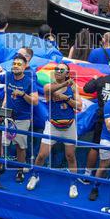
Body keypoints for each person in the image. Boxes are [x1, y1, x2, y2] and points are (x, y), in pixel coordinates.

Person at [28, 63, 81, 198]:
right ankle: (35, 175)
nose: (58, 71)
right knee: (41, 155)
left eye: (61, 70)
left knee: (70, 156)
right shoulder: (49, 86)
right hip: (52, 125)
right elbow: (48, 91)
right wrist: (65, 85)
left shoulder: (73, 87)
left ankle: (73, 183)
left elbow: (79, 106)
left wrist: (66, 98)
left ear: (67, 73)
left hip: (69, 126)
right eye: (56, 69)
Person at [0, 55, 39, 183]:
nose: (15, 66)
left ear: (24, 66)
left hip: (22, 117)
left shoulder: (29, 81)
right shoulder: (8, 76)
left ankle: (20, 170)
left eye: (19, 64)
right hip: (6, 113)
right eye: (14, 63)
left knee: (20, 146)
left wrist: (23, 94)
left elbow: (35, 101)